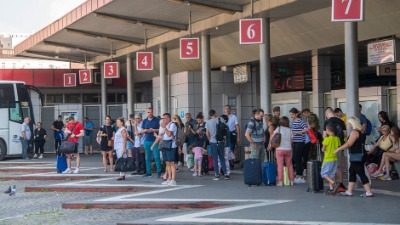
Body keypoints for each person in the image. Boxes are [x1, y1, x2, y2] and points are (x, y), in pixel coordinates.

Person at [334, 117, 373, 197]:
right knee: (352, 172)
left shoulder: (354, 132)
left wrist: (338, 149)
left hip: (356, 156)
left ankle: (368, 192)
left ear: (352, 123)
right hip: (360, 155)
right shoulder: (361, 131)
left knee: (360, 173)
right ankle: (349, 191)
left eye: (349, 123)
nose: (348, 124)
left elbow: (349, 144)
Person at [323, 107, 347, 192]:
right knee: (339, 166)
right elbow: (345, 134)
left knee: (331, 168)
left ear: (327, 114)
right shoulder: (341, 121)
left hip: (329, 148)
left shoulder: (326, 122)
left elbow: (324, 136)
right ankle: (341, 185)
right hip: (339, 146)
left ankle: (332, 186)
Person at [206, 109, 230, 180]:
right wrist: (224, 140)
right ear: (215, 113)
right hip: (221, 141)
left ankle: (217, 174)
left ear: (209, 115)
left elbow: (207, 133)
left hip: (213, 142)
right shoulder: (221, 119)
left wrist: (210, 140)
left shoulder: (208, 122)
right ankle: (226, 173)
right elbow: (224, 130)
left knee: (215, 159)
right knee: (222, 158)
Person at [270, 116, 294, 186]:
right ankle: (291, 180)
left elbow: (272, 137)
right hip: (288, 149)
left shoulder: (278, 129)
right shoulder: (290, 130)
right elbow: (292, 140)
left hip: (279, 149)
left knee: (280, 165)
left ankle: (280, 181)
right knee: (289, 165)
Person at [289, 108, 308, 184]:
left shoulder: (300, 121)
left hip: (300, 142)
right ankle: (298, 175)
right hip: (295, 142)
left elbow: (306, 129)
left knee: (298, 158)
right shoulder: (293, 122)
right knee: (296, 158)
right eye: (290, 114)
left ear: (296, 114)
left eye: (292, 114)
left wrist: (298, 132)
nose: (291, 116)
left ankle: (299, 175)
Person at [321, 124, 341, 195]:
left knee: (324, 173)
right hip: (335, 159)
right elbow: (338, 148)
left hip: (328, 159)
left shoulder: (326, 139)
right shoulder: (337, 139)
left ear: (328, 131)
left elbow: (323, 149)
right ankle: (331, 189)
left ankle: (334, 183)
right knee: (332, 174)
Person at [141, 107, 161, 178]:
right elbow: (141, 130)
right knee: (148, 157)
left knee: (157, 157)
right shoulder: (144, 121)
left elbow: (160, 129)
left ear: (153, 112)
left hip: (155, 140)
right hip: (146, 140)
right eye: (148, 112)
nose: (150, 113)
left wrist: (153, 130)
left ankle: (159, 171)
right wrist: (146, 130)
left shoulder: (157, 120)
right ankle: (148, 172)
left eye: (151, 112)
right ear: (146, 113)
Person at [160, 113, 178, 186]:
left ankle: (173, 179)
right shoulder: (166, 125)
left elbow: (169, 134)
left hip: (171, 145)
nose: (163, 120)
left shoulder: (172, 125)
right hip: (165, 144)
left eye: (164, 118)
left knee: (171, 162)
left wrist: (164, 128)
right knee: (167, 162)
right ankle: (169, 178)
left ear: (168, 118)